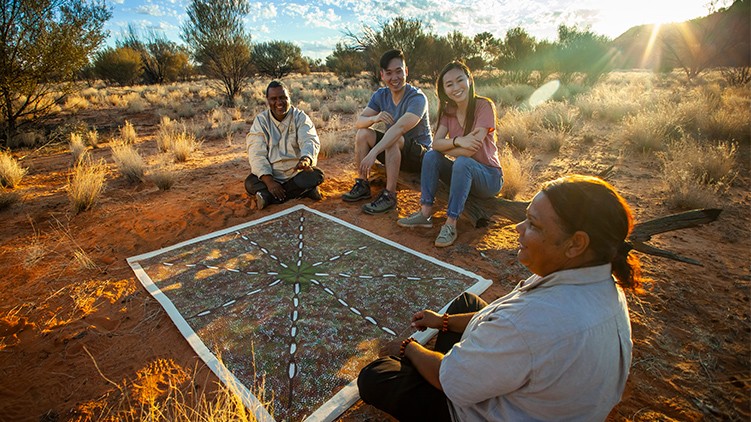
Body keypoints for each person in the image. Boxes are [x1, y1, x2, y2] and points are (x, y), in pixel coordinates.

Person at [358, 175, 645, 421]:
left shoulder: (527, 323)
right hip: (546, 399)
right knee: (466, 304)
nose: (518, 229)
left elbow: (451, 381)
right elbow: (505, 318)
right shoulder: (600, 280)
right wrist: (442, 321)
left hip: (481, 409)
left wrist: (408, 348)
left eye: (533, 225)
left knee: (375, 375)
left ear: (576, 244)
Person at [397, 61, 503, 247]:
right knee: (431, 156)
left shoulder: (483, 106)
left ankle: (451, 224)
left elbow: (472, 149)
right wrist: (457, 141)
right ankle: (425, 213)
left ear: (469, 80)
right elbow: (435, 144)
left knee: (462, 162)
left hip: (489, 177)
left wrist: (446, 146)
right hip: (463, 172)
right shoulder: (448, 111)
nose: (456, 87)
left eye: (459, 80)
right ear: (444, 90)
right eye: (449, 84)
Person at [342, 49, 433, 214]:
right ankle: (363, 184)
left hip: (420, 157)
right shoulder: (381, 95)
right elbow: (359, 122)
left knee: (394, 138)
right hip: (395, 150)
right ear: (382, 75)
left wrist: (373, 153)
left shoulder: (417, 98)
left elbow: (399, 128)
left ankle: (390, 195)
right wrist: (374, 118)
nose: (395, 78)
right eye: (389, 73)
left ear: (406, 71)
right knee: (363, 134)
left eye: (399, 72)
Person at [245, 80, 324, 210]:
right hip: (271, 174)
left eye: (283, 98)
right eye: (274, 99)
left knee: (316, 175)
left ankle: (268, 197)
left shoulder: (300, 117)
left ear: (289, 98)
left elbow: (309, 140)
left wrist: (306, 159)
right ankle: (303, 192)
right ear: (267, 100)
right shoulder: (261, 121)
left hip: (295, 172)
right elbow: (256, 153)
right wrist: (270, 182)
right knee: (250, 183)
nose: (279, 103)